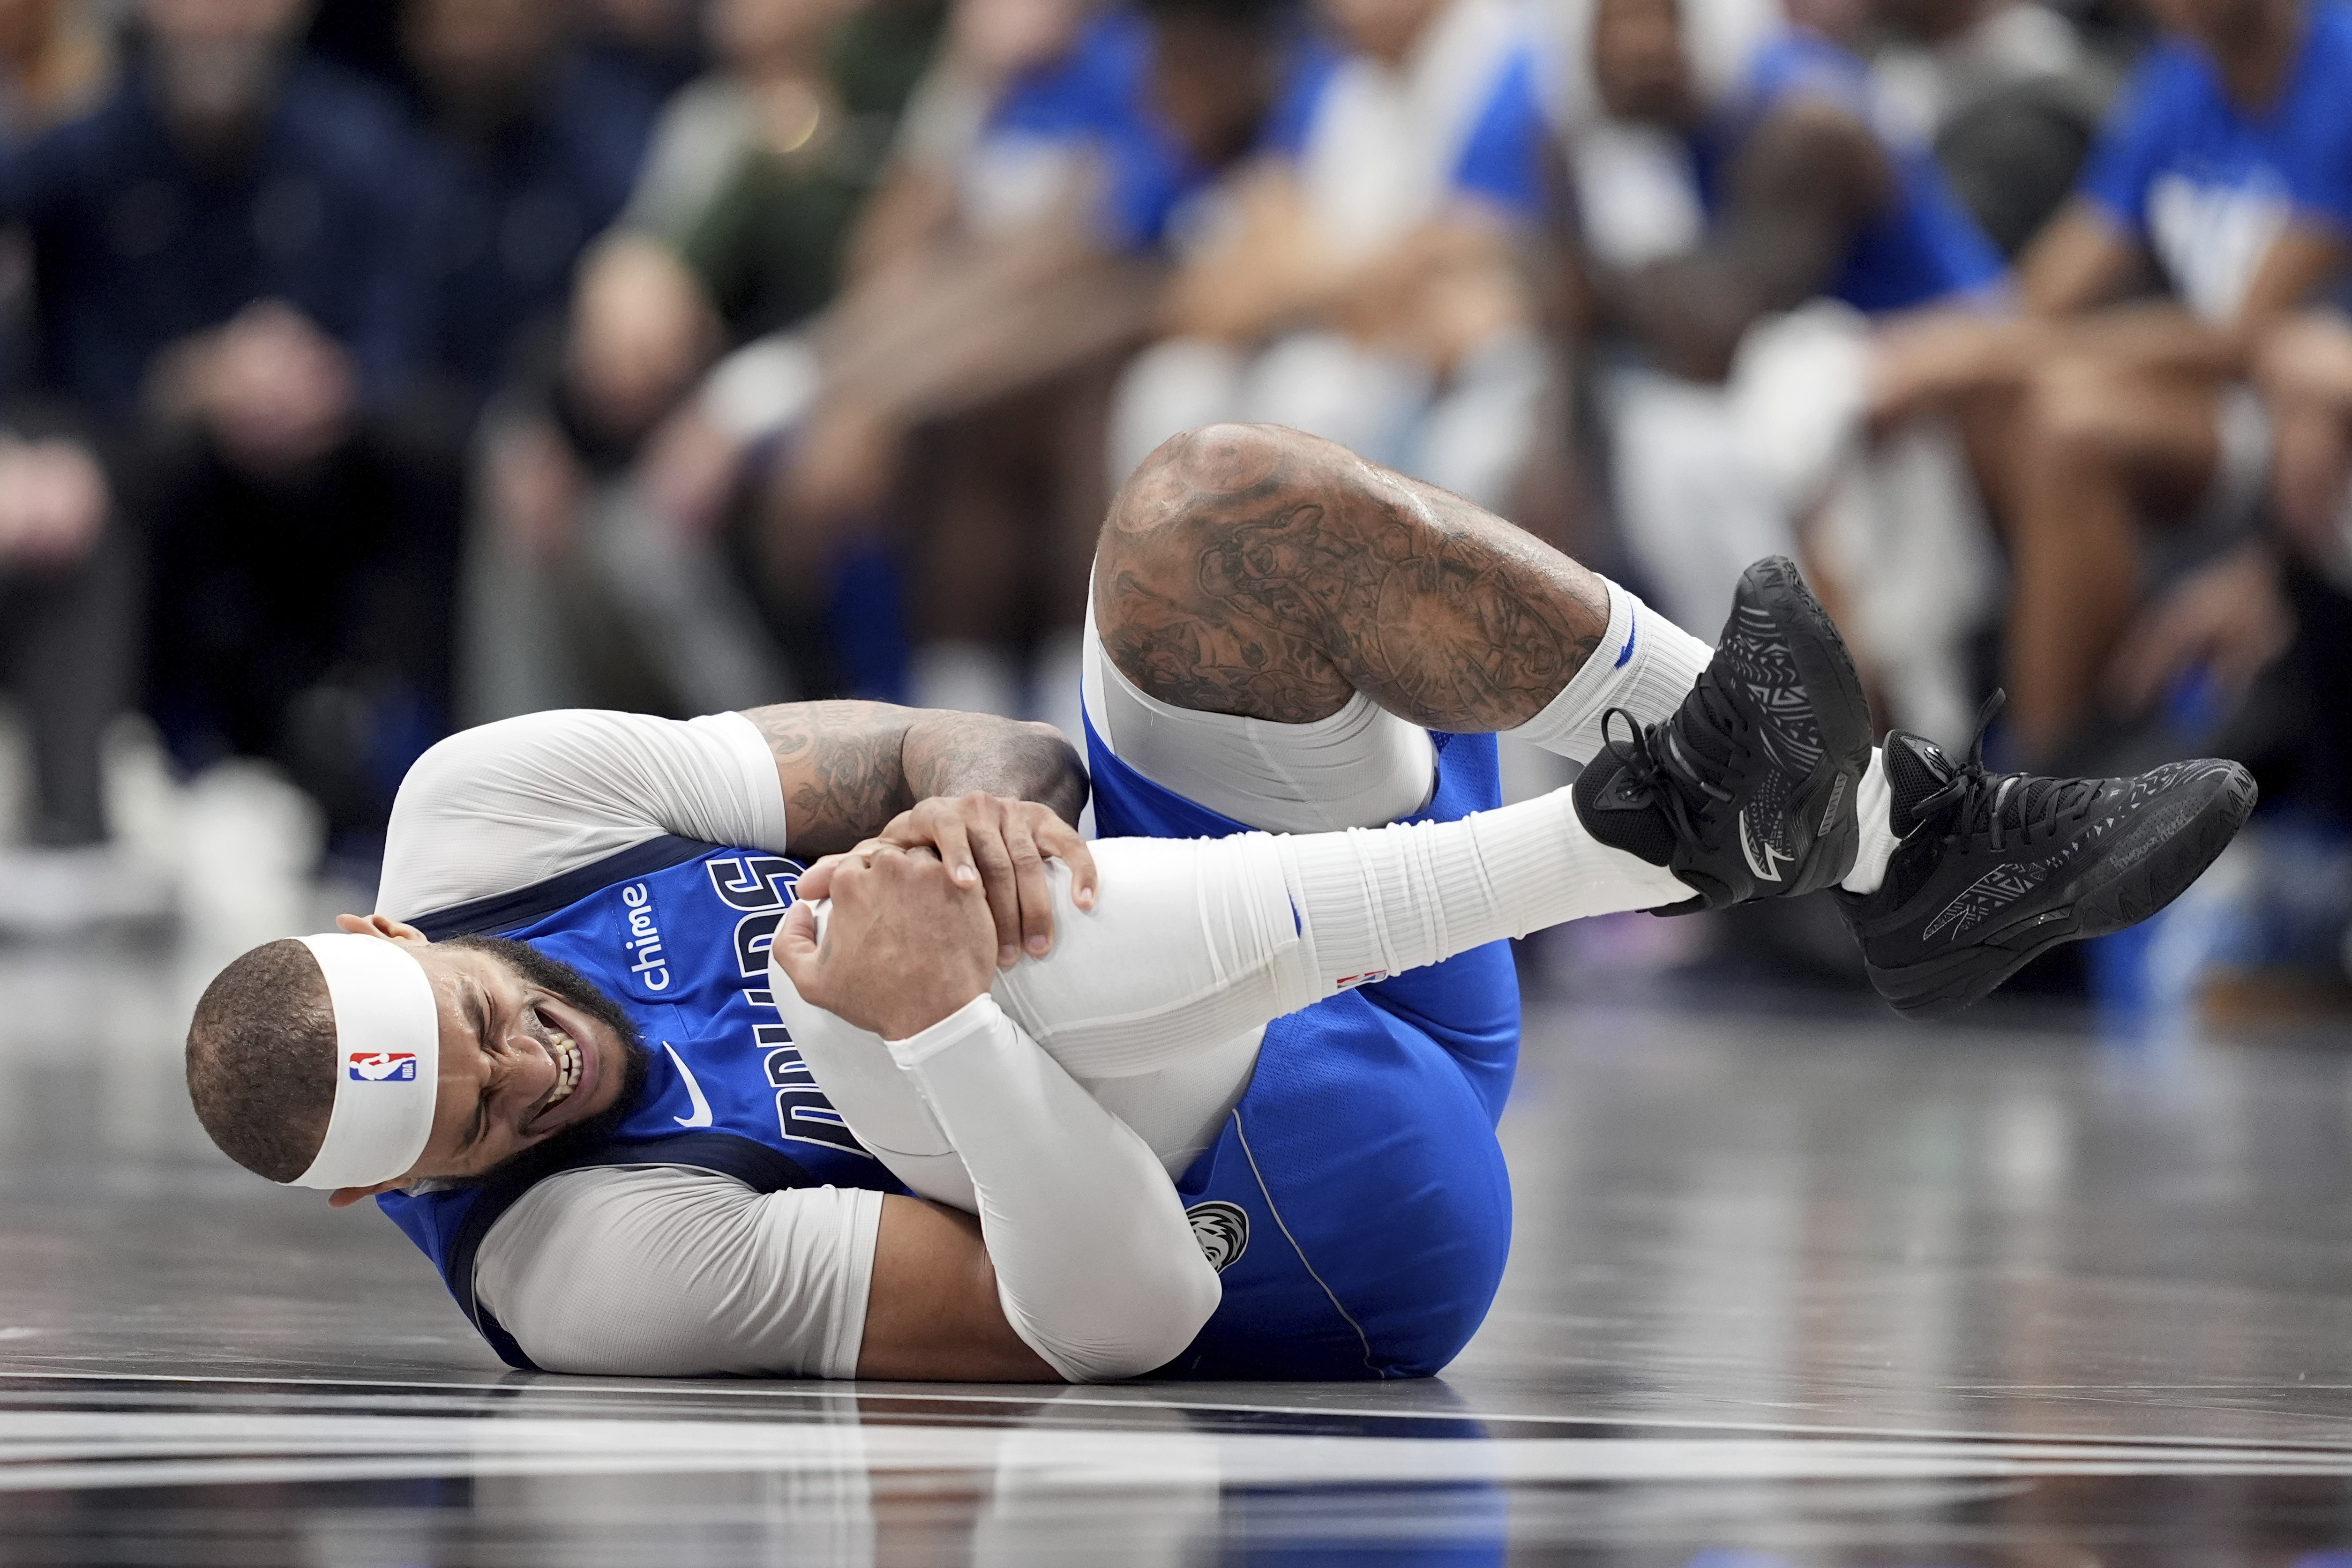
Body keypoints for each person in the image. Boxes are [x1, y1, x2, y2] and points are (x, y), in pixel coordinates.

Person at [184, 423, 2253, 1381]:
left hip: (1328, 943)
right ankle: (1644, 835)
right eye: (469, 1114)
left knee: (1200, 521)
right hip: (1331, 1217)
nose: (523, 1066)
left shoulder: (487, 803)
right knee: (851, 974)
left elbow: (934, 744)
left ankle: (1903, 841)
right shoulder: (572, 1269)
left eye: (472, 1018)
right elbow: (1111, 1322)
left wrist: (974, 822)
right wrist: (938, 1014)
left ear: (394, 932)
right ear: (397, 1195)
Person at [6, 0, 459, 839]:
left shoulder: (364, 144)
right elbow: (57, 366)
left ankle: (423, 778)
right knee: (79, 477)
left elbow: (420, 337)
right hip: (151, 484)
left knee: (444, 453)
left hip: (336, 473)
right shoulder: (85, 151)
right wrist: (183, 381)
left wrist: (333, 381)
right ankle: (85, 817)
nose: (218, 20)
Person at [1872, 0, 2352, 762]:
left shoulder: (2337, 65)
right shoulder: (2178, 80)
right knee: (1973, 402)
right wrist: (1946, 355)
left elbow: (2244, 333)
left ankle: (2038, 789)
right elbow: (2051, 287)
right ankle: (1911, 741)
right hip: (2233, 396)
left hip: (2309, 403)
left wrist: (2006, 353)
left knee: (2069, 424)